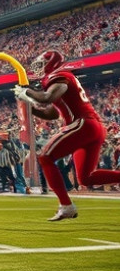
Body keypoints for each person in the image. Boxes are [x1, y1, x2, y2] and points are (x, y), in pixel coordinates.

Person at [14, 50, 120, 220]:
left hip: (82, 123)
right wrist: (30, 107)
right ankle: (66, 205)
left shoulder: (59, 75)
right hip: (91, 126)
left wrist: (26, 93)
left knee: (45, 157)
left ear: (51, 63)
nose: (39, 68)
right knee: (86, 178)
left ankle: (66, 206)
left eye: (42, 63)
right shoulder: (59, 78)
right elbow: (52, 113)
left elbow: (48, 97)